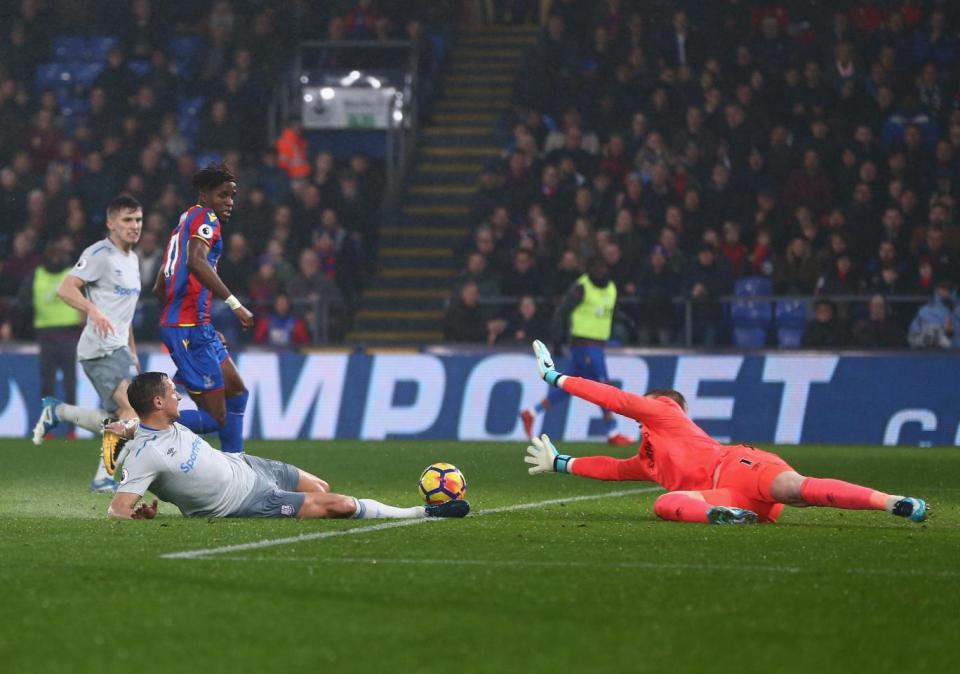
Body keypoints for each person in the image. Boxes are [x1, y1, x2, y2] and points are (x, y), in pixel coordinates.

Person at [523, 340, 928, 525]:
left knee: (800, 489)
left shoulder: (665, 412)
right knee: (666, 504)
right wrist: (561, 463)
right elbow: (611, 468)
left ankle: (891, 502)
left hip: (740, 467)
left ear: (665, 403)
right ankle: (724, 516)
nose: (641, 409)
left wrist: (556, 378)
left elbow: (617, 399)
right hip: (727, 497)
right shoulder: (647, 458)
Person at [107, 372, 469, 520]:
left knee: (321, 487)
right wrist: (142, 519)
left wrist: (118, 428)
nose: (179, 395)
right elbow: (117, 510)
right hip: (246, 500)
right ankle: (422, 513)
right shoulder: (144, 456)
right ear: (157, 403)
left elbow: (135, 426)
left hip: (247, 465)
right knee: (340, 505)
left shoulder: (155, 425)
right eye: (172, 392)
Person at [31, 195, 144, 492]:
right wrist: (92, 310)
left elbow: (125, 312)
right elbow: (65, 288)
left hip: (118, 348)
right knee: (132, 412)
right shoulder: (99, 254)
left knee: (119, 418)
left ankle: (59, 412)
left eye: (138, 220)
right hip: (99, 348)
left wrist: (132, 350)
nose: (135, 226)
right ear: (111, 224)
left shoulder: (132, 260)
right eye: (127, 220)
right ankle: (103, 478)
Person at [154, 163, 254, 454]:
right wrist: (235, 305)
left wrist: (195, 319)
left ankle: (237, 466)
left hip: (195, 325)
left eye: (233, 196)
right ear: (205, 193)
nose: (229, 202)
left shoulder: (185, 219)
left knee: (237, 392)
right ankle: (135, 427)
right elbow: (195, 262)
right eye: (223, 195)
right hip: (189, 329)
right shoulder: (205, 218)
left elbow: (161, 283)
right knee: (215, 418)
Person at [520, 258, 634, 445]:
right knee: (603, 386)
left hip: (597, 345)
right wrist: (557, 340)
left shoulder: (611, 288)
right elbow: (562, 311)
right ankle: (613, 433)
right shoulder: (582, 287)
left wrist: (625, 320)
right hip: (584, 345)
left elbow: (605, 312)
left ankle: (531, 412)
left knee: (569, 386)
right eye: (596, 267)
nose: (600, 271)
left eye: (603, 267)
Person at [22, 237, 82, 437]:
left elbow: (86, 299)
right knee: (48, 385)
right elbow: (23, 303)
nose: (57, 259)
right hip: (47, 337)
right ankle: (47, 428)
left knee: (69, 385)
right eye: (54, 255)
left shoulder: (71, 275)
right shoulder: (36, 276)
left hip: (68, 336)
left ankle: (71, 430)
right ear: (47, 256)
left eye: (60, 255)